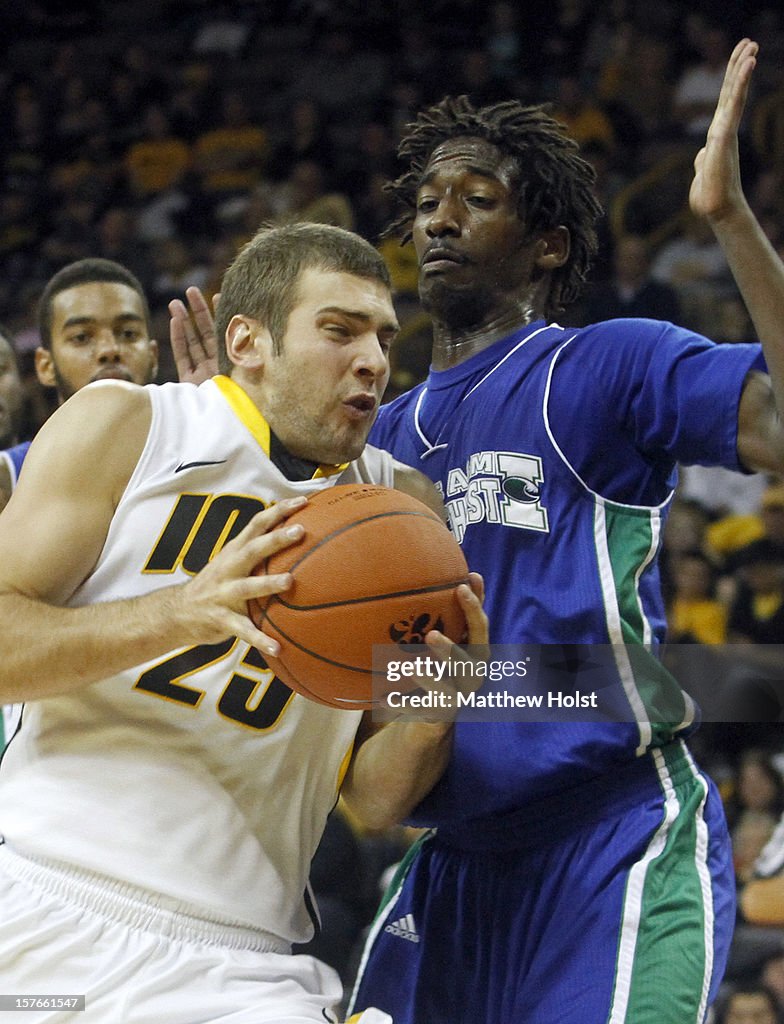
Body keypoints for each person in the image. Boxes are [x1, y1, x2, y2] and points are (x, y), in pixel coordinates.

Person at [348, 38, 784, 1024]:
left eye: (476, 197)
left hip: (611, 841)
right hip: (447, 860)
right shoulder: (374, 441)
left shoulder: (602, 368)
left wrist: (729, 222)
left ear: (547, 244)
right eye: (426, 203)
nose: (440, 218)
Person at [0, 221, 487, 1023]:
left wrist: (431, 722)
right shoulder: (129, 426)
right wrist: (176, 613)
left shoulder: (408, 515)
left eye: (384, 336)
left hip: (240, 964)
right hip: (43, 900)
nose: (372, 359)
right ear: (247, 340)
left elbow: (372, 800)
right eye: (339, 330)